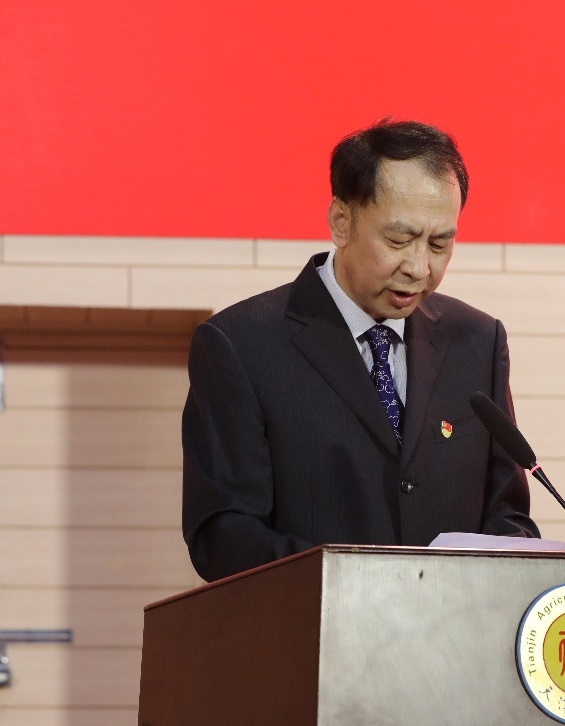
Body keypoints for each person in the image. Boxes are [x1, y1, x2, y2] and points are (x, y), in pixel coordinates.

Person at [182, 119, 539, 582]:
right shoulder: (241, 345)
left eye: (439, 244)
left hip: (454, 624)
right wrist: (364, 583)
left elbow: (507, 516)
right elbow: (224, 536)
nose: (419, 268)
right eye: (399, 240)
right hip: (315, 622)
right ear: (341, 222)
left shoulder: (477, 341)